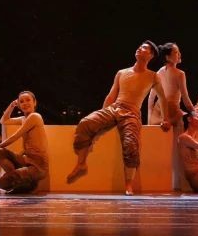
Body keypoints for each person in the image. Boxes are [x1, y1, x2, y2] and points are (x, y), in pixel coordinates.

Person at [67, 41, 176, 195]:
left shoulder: (153, 76)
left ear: (151, 55)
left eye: (144, 48)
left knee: (130, 144)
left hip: (132, 113)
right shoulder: (122, 72)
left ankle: (129, 184)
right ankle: (81, 163)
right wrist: (102, 115)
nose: (139, 48)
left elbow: (162, 98)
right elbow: (111, 95)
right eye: (139, 46)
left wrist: (166, 119)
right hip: (115, 108)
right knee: (86, 123)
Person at [0, 91, 48, 193]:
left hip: (38, 166)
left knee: (3, 182)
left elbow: (15, 136)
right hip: (26, 160)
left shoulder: (35, 116)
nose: (25, 103)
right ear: (19, 105)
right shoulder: (23, 119)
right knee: (1, 152)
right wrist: (12, 106)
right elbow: (3, 121)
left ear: (34, 102)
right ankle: (22, 180)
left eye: (28, 100)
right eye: (21, 102)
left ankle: (26, 182)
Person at [145, 42, 192, 133]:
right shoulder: (180, 74)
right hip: (172, 112)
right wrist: (193, 112)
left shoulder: (159, 72)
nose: (179, 54)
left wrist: (149, 119)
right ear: (167, 57)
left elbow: (151, 98)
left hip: (157, 113)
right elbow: (185, 98)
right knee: (175, 140)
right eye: (176, 52)